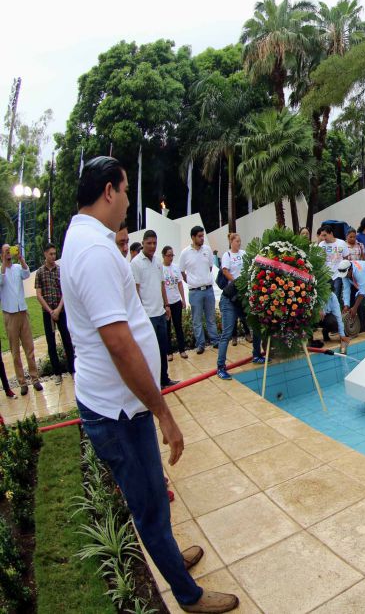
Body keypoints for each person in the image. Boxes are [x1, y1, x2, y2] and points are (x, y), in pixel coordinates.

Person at [61, 156, 238, 613]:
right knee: (149, 504)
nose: (127, 207)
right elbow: (120, 344)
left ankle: (171, 556)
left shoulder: (84, 238)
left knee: (155, 494)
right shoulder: (96, 251)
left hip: (120, 405)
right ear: (109, 191)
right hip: (117, 411)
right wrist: (164, 412)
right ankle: (188, 596)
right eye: (123, 192)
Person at [132, 231, 177, 388]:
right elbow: (135, 290)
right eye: (149, 243)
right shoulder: (136, 263)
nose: (152, 246)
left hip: (160, 312)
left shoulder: (158, 262)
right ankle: (153, 383)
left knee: (163, 348)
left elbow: (161, 285)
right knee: (150, 351)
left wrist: (167, 305)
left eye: (154, 243)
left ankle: (164, 379)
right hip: (147, 315)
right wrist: (140, 313)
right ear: (143, 243)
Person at [1, 244, 42, 395]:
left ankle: (35, 379)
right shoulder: (1, 270)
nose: (8, 254)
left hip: (22, 312)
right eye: (5, 252)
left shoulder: (18, 267)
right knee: (15, 351)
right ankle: (22, 382)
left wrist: (21, 259)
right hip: (10, 314)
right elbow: (1, 280)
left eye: (9, 251)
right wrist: (4, 264)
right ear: (1, 255)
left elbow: (26, 274)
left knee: (29, 347)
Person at [35, 242, 75, 384]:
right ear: (45, 254)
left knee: (67, 341)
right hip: (48, 313)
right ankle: (57, 373)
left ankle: (73, 370)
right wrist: (50, 311)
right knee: (51, 344)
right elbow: (39, 295)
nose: (53, 256)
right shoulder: (40, 272)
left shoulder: (60, 270)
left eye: (54, 253)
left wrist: (58, 309)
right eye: (51, 254)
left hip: (61, 311)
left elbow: (65, 291)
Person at [180, 226, 218, 353]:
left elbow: (210, 267)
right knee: (197, 320)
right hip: (195, 292)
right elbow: (182, 272)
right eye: (200, 236)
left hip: (208, 290)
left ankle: (215, 341)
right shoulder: (185, 253)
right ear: (193, 237)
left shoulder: (207, 249)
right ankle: (200, 344)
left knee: (211, 318)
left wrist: (204, 280)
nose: (202, 238)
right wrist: (192, 282)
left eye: (203, 236)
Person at [215, 233, 245, 380]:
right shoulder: (227, 255)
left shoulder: (244, 253)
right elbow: (225, 270)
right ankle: (220, 367)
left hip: (242, 297)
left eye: (240, 241)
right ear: (231, 242)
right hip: (230, 296)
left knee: (255, 325)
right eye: (237, 241)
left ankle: (257, 354)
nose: (239, 243)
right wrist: (236, 282)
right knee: (226, 333)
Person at [161, 246, 188, 361]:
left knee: (178, 326)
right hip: (166, 303)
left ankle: (182, 350)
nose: (171, 258)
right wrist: (165, 303)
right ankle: (169, 352)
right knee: (167, 328)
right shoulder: (160, 269)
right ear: (163, 256)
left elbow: (180, 284)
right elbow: (161, 286)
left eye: (172, 255)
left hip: (176, 301)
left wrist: (183, 299)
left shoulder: (176, 268)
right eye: (168, 255)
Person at [318, 226, 349, 307]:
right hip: (326, 274)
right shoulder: (321, 244)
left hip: (338, 274)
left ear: (331, 233)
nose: (324, 238)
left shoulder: (341, 243)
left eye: (325, 235)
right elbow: (319, 260)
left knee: (336, 296)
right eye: (322, 235)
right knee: (326, 297)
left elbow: (346, 258)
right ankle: (328, 314)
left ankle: (336, 315)